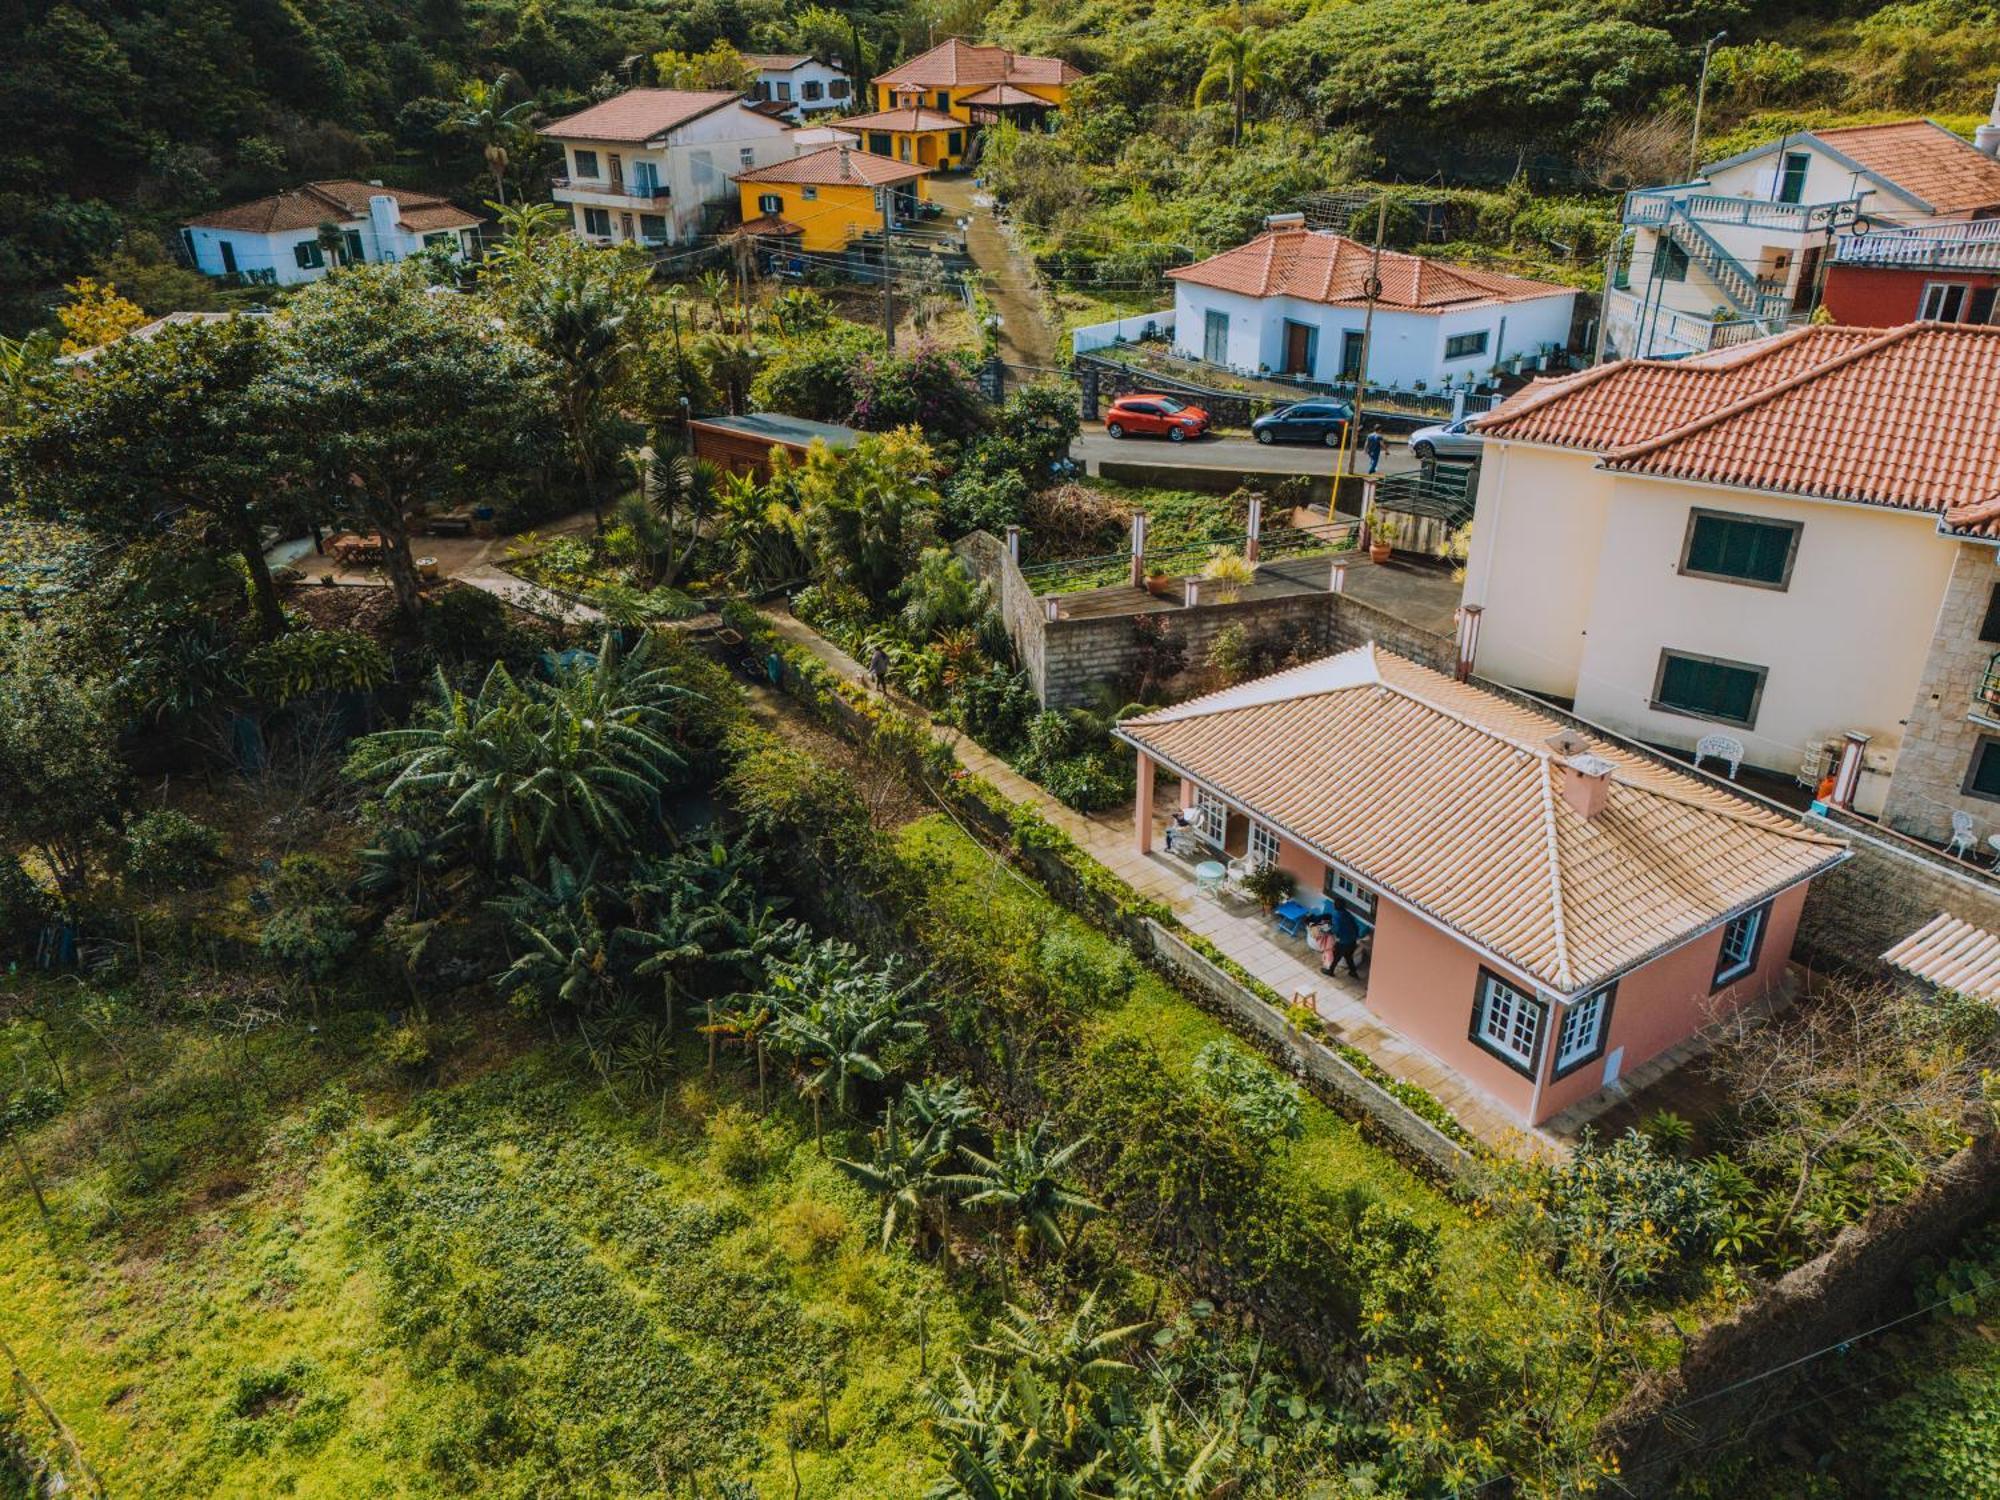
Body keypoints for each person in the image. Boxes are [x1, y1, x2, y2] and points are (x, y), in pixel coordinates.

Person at [1327, 898, 1363, 977]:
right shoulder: (1348, 914)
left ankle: (1331, 971)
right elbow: (1355, 926)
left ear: (1335, 906)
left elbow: (1336, 929)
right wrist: (1356, 936)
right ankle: (1353, 972)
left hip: (1343, 942)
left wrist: (1330, 931)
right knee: (1348, 956)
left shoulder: (1336, 916)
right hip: (1352, 940)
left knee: (1336, 956)